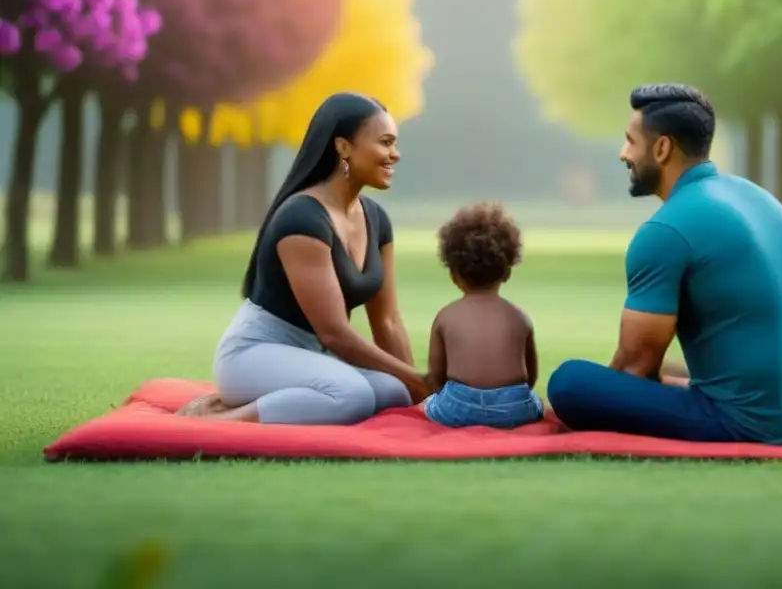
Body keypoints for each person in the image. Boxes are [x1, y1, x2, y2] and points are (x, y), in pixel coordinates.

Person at [546, 84, 782, 445]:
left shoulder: (664, 230)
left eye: (630, 141)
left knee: (570, 382)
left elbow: (634, 367)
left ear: (662, 148)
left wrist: (596, 396)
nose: (623, 153)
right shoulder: (756, 196)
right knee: (668, 373)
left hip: (752, 424)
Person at [177, 92, 433, 424]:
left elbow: (387, 322)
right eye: (385, 143)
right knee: (352, 395)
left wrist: (416, 392)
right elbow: (334, 333)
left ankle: (258, 402)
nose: (395, 155)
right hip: (254, 355)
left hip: (311, 355)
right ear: (343, 147)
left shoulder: (377, 220)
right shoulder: (302, 218)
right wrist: (420, 379)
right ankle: (220, 418)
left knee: (393, 392)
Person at [422, 203, 544, 429]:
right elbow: (531, 375)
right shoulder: (519, 318)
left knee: (429, 404)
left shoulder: (445, 316)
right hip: (513, 406)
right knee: (537, 403)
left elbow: (436, 377)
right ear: (507, 273)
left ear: (453, 274)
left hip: (458, 405)